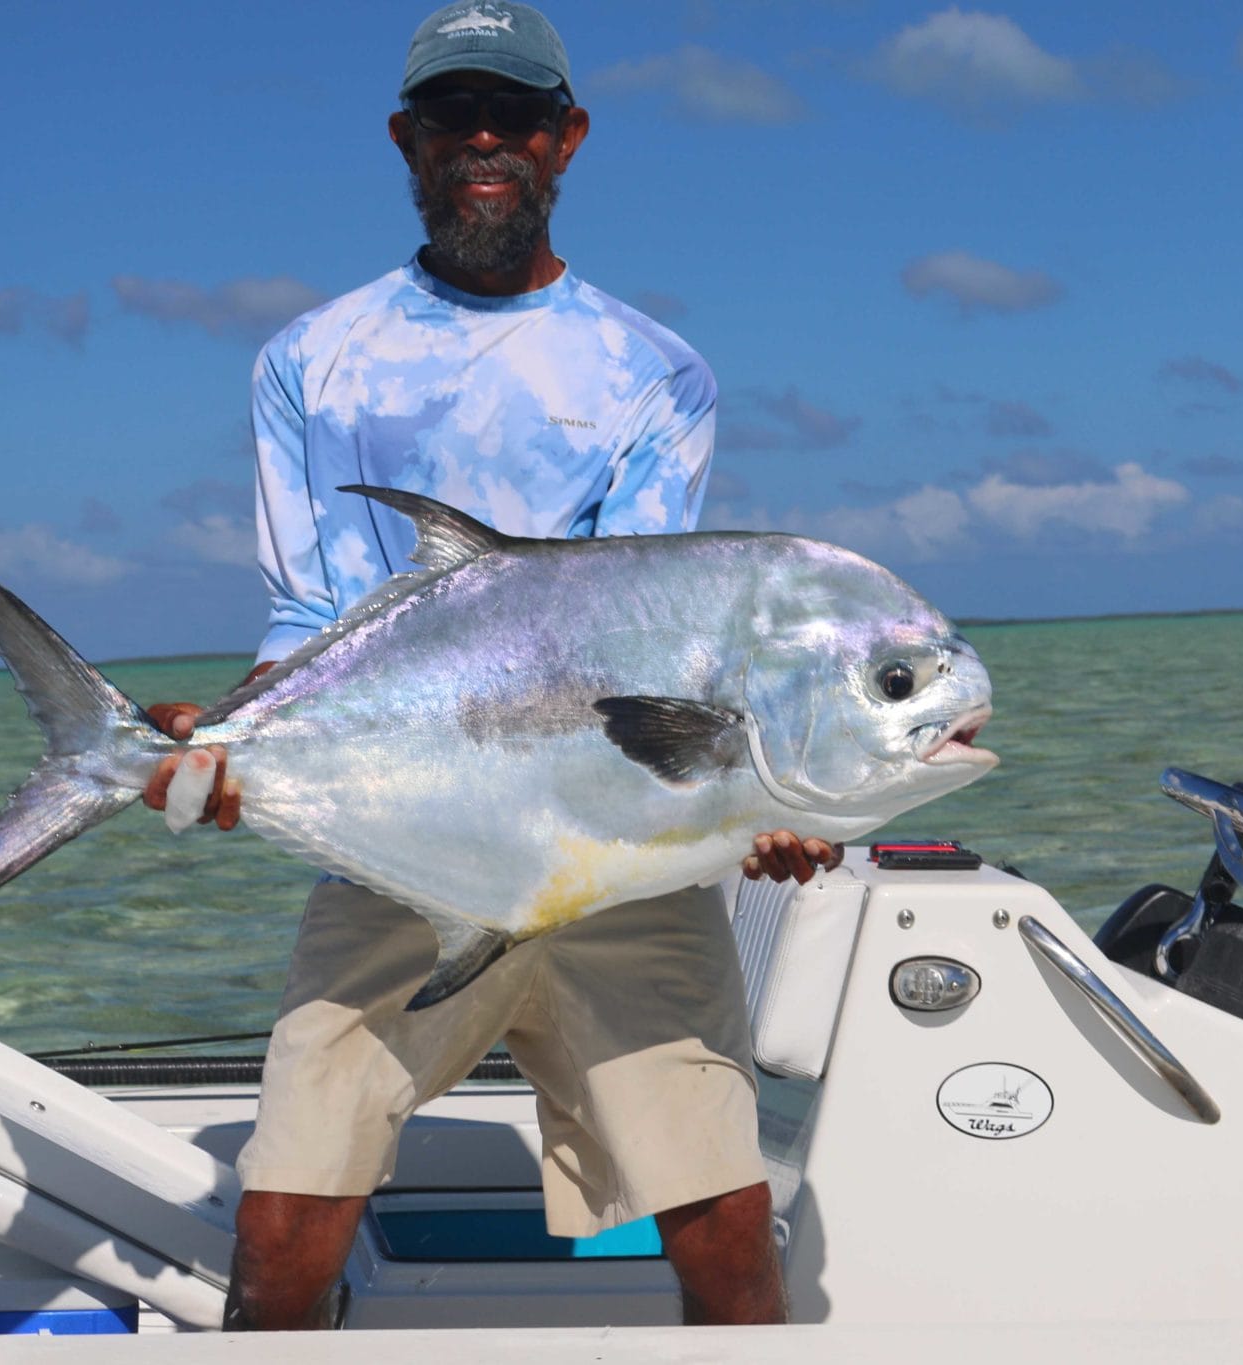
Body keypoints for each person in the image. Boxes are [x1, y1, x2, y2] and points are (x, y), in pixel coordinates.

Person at [140, 3, 838, 1330]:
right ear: (404, 138)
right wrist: (234, 741)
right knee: (282, 1232)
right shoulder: (307, 359)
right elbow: (310, 614)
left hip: (615, 863)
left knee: (732, 1239)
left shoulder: (653, 373)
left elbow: (635, 634)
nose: (484, 140)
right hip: (403, 848)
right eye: (453, 116)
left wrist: (756, 793)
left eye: (513, 117)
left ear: (566, 139)